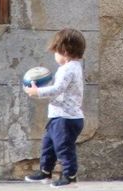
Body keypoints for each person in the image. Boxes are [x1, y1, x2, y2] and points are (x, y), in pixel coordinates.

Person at [24, 28, 86, 187]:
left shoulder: (68, 69)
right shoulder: (72, 68)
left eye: (56, 52)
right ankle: (45, 172)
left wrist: (37, 91)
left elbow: (57, 89)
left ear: (64, 51)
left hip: (66, 118)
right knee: (48, 145)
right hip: (59, 116)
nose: (55, 55)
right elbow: (60, 89)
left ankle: (70, 177)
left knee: (64, 148)